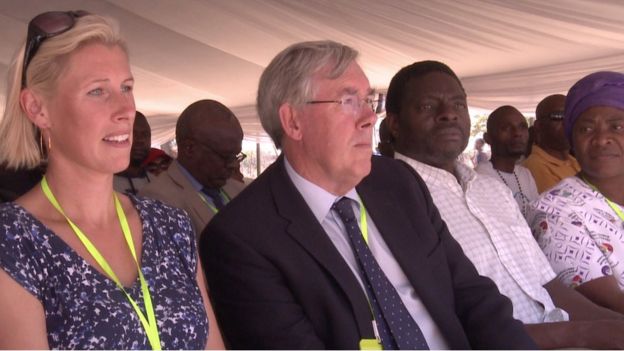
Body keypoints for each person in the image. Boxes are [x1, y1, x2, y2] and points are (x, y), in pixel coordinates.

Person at [200, 40, 535, 350]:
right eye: (348, 101)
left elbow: (474, 296)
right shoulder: (241, 238)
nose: (369, 117)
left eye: (368, 100)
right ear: (293, 121)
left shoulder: (399, 184)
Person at [0, 11, 223, 349]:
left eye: (126, 87)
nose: (125, 110)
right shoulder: (14, 242)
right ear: (37, 108)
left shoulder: (169, 226)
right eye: (97, 91)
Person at [385, 60, 624, 349]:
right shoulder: (392, 202)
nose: (449, 114)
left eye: (459, 105)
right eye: (427, 106)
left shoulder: (492, 189)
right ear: (394, 123)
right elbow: (444, 324)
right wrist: (586, 334)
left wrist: (610, 326)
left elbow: (548, 285)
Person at [529, 71, 624, 315]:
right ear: (572, 139)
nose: (602, 139)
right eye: (586, 129)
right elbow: (613, 306)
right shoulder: (555, 212)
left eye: (617, 126)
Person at [140, 99, 245, 237]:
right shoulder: (156, 200)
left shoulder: (241, 191)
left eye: (235, 155)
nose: (233, 165)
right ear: (189, 149)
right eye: (225, 156)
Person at [477, 105, 539, 217]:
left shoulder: (525, 174)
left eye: (522, 127)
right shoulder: (479, 177)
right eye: (506, 128)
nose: (517, 133)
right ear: (488, 138)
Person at [524, 94, 581, 192]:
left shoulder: (575, 161)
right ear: (538, 126)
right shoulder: (535, 166)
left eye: (571, 116)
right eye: (558, 116)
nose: (567, 123)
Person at [113, 111, 153, 194]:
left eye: (145, 134)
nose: (140, 140)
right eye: (133, 134)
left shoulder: (158, 184)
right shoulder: (100, 185)